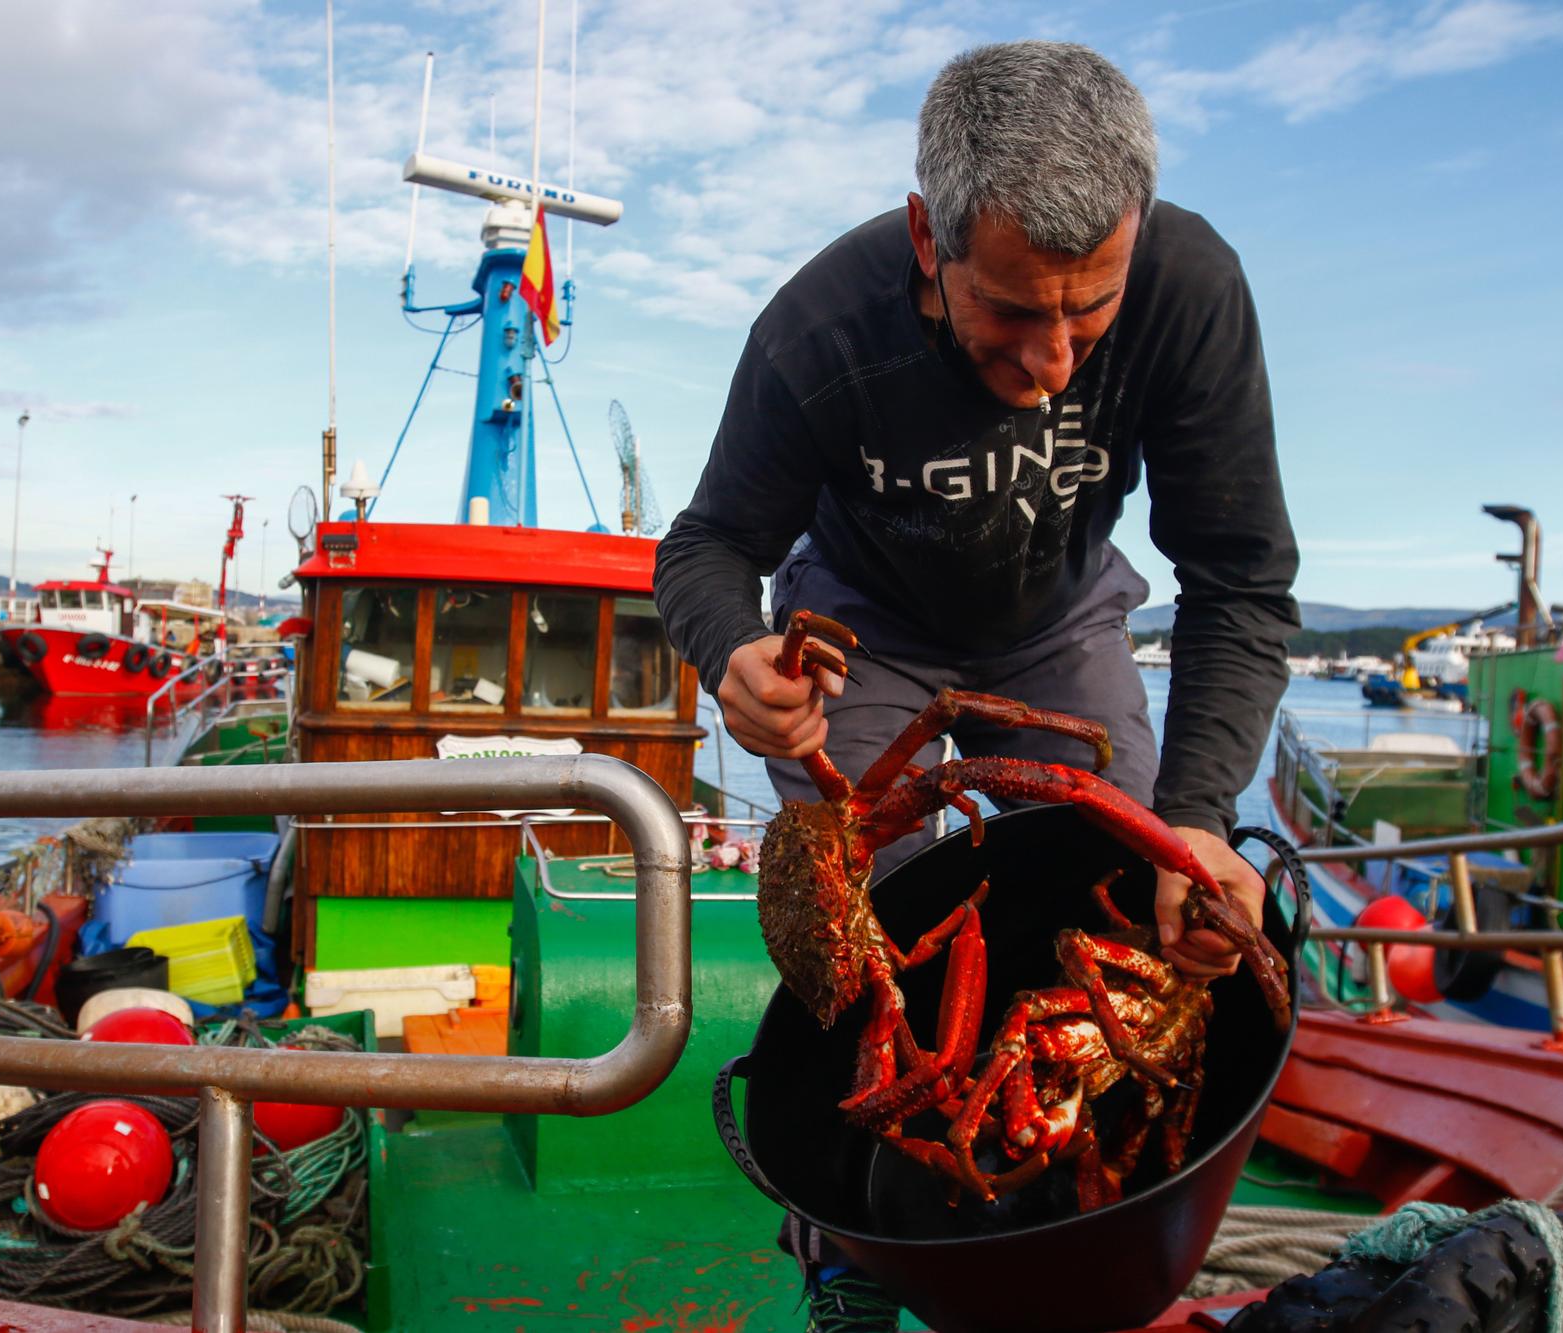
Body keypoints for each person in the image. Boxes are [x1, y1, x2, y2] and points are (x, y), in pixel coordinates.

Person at [654, 40, 1300, 1326]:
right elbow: (706, 545)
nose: (1056, 359)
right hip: (862, 634)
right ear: (923, 240)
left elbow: (1236, 573)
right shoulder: (818, 333)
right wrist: (728, 650)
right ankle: (850, 1253)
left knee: (1148, 894)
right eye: (1012, 311)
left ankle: (1085, 1200)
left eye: (1088, 306)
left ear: (1136, 241)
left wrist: (1194, 813)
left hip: (1059, 620)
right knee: (875, 939)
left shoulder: (1187, 288)